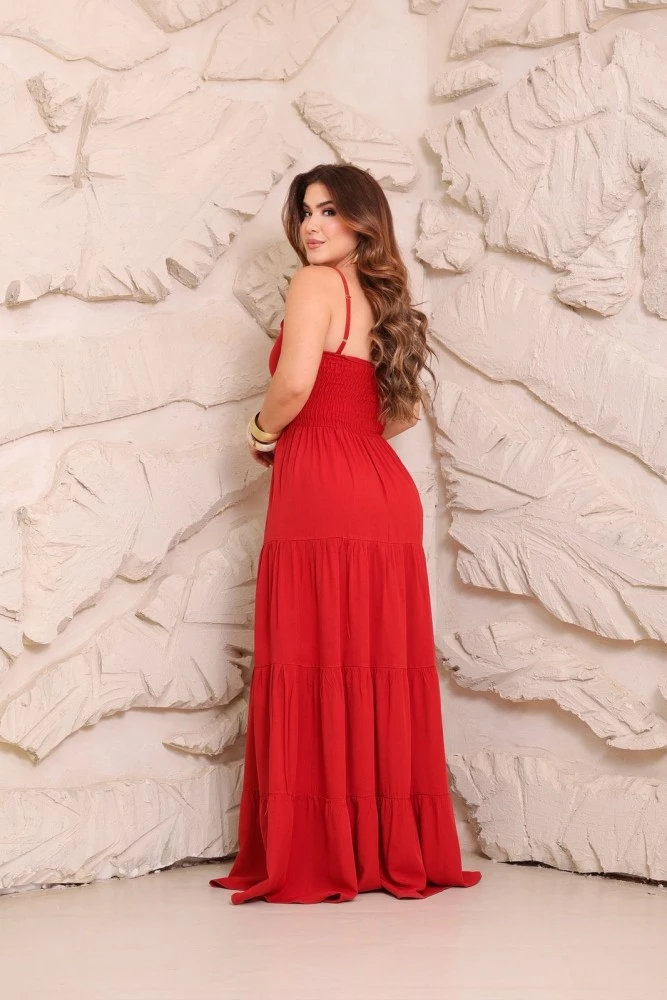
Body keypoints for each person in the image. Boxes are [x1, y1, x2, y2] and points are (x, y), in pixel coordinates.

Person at [208, 163, 482, 904]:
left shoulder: (313, 284)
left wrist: (261, 431)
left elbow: (295, 383)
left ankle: (323, 850)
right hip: (382, 489)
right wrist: (340, 434)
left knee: (314, 653)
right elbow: (399, 413)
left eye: (329, 210)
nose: (311, 226)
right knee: (374, 662)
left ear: (364, 219)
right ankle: (383, 849)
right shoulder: (384, 299)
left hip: (321, 488)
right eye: (305, 212)